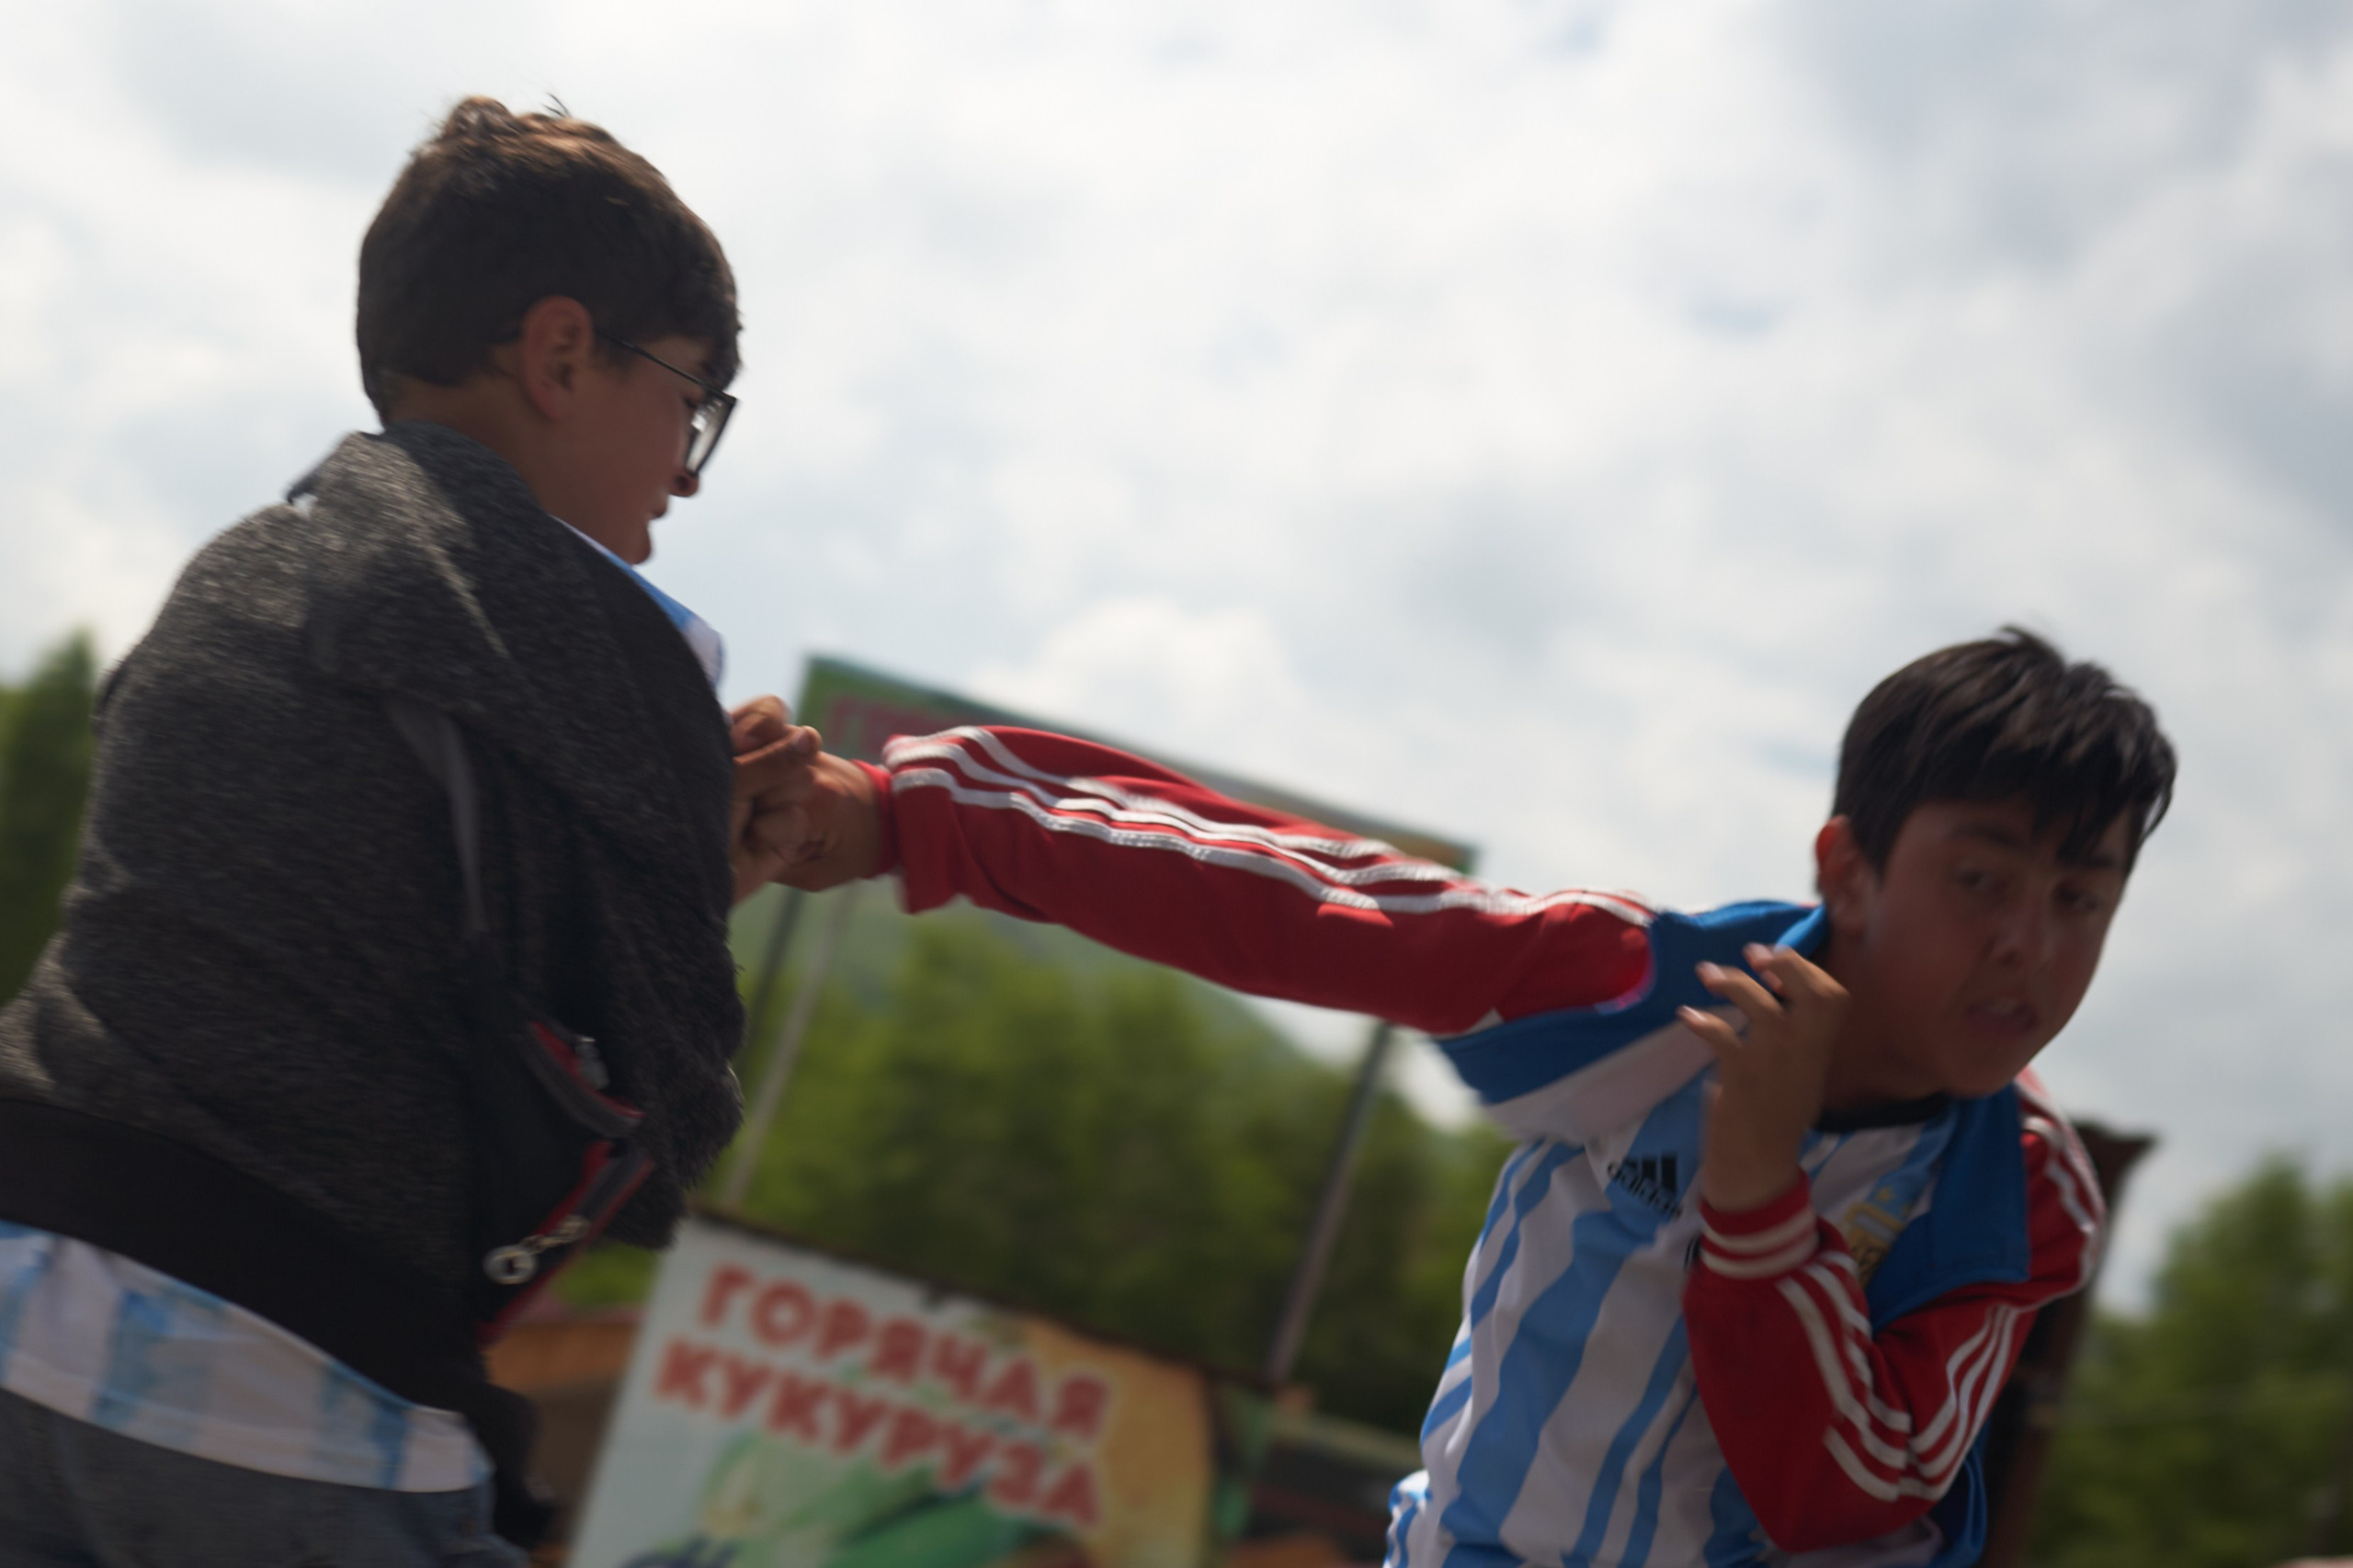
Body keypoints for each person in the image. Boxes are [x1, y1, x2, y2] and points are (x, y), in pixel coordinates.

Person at [747, 629, 2176, 1568]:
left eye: (2079, 899)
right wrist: (898, 814)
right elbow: (1293, 897)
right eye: (1981, 879)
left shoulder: (2024, 1189)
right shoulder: (1644, 994)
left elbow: (1855, 1492)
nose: (2027, 945)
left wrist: (1756, 1196)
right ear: (1847, 867)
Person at [0, 99, 810, 1564]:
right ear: (564, 353)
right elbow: (662, 1125)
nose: (683, 481)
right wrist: (697, 888)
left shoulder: (239, 570)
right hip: (282, 1411)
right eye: (691, 405)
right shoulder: (613, 645)